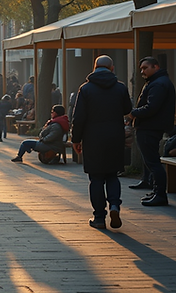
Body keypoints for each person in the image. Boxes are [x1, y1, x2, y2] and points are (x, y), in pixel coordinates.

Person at [70, 55, 131, 229]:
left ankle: (99, 217)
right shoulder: (120, 87)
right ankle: (114, 205)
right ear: (112, 68)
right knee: (112, 174)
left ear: (94, 67)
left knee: (96, 177)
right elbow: (127, 109)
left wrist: (76, 139)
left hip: (93, 137)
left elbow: (79, 117)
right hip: (115, 136)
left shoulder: (86, 89)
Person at [129, 56, 176, 207]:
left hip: (150, 127)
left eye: (145, 68)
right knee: (151, 160)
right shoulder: (158, 82)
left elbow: (152, 107)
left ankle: (160, 193)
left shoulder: (158, 84)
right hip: (151, 126)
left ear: (155, 67)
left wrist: (134, 113)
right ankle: (155, 189)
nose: (142, 71)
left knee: (153, 162)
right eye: (141, 68)